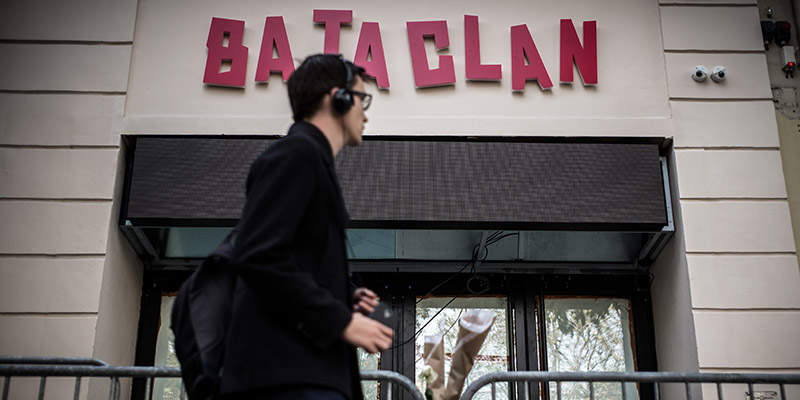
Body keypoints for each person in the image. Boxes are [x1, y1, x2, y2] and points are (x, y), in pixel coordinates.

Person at [220, 54, 394, 400]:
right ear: (338, 98)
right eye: (362, 98)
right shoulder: (296, 155)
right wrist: (341, 321)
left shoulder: (308, 158)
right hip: (287, 379)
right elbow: (258, 257)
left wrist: (344, 296)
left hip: (300, 376)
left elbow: (289, 260)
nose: (366, 112)